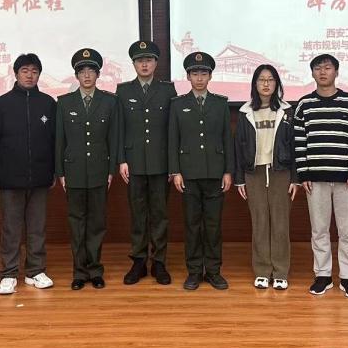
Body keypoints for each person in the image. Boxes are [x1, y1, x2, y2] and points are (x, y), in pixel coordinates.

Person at [0, 53, 57, 295]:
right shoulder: (1, 104)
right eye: (25, 71)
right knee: (11, 228)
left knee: (37, 227)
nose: (29, 75)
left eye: (34, 71)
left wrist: (54, 170)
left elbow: (55, 140)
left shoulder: (48, 103)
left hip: (40, 175)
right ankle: (9, 273)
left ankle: (35, 270)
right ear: (16, 74)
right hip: (10, 176)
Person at [294, 53, 348, 299]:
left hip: (347, 179)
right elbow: (299, 142)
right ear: (312, 73)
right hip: (315, 179)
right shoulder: (304, 105)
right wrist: (303, 173)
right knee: (319, 229)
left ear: (336, 71)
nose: (323, 72)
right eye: (318, 68)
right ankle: (322, 275)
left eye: (327, 68)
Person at [168, 51, 234, 290]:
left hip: (215, 173)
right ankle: (194, 271)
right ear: (188, 76)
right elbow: (173, 139)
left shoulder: (220, 103)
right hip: (188, 174)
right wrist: (175, 171)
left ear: (210, 76)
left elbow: (227, 138)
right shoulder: (178, 104)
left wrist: (228, 171)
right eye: (194, 73)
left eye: (203, 73)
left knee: (213, 226)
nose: (199, 78)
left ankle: (214, 271)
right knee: (192, 225)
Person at [55, 48, 120, 289]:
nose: (86, 75)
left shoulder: (109, 101)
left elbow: (113, 138)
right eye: (82, 71)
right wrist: (60, 172)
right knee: (76, 223)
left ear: (98, 74)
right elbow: (59, 141)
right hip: (73, 172)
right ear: (76, 75)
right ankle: (79, 272)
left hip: (99, 170)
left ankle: (95, 270)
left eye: (91, 70)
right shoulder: (64, 102)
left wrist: (111, 170)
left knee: (96, 223)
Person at [115, 39, 177, 285]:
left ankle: (159, 262)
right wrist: (121, 159)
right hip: (134, 162)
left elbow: (173, 130)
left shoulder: (167, 90)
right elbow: (119, 128)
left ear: (156, 63)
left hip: (161, 163)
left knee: (160, 214)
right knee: (138, 214)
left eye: (149, 60)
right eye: (140, 60)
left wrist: (172, 164)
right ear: (133, 64)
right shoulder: (123, 91)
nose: (144, 64)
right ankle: (139, 261)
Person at [233, 64, 298, 290]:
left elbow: (295, 146)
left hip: (281, 172)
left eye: (271, 80)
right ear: (255, 84)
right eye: (262, 80)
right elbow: (239, 147)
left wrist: (295, 178)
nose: (266, 84)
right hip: (255, 174)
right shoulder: (245, 112)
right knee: (260, 222)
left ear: (277, 84)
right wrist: (239, 179)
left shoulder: (288, 112)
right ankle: (262, 270)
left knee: (280, 223)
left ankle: (280, 271)